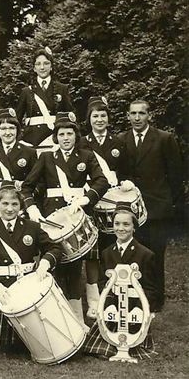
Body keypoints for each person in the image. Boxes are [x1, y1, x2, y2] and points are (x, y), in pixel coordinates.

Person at [20, 112, 109, 323]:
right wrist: (32, 207)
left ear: (76, 136)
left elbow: (101, 181)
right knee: (59, 264)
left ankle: (81, 312)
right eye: (61, 134)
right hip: (54, 218)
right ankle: (62, 313)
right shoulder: (46, 157)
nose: (66, 138)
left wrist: (86, 199)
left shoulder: (87, 156)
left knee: (80, 263)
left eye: (70, 133)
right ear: (56, 137)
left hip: (77, 215)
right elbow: (27, 187)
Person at [0, 182, 62, 350]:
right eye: (5, 204)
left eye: (14, 204)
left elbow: (55, 248)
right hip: (4, 289)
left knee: (36, 338)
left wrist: (45, 262)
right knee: (3, 344)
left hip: (29, 286)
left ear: (21, 207)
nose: (10, 209)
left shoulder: (33, 227)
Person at [118, 100, 183, 312]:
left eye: (141, 113)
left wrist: (170, 205)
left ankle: (155, 300)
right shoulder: (122, 140)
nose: (137, 118)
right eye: (133, 114)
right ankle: (134, 296)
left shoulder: (164, 138)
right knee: (133, 252)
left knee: (155, 254)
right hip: (132, 209)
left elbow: (175, 175)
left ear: (149, 116)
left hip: (157, 208)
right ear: (127, 116)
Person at [83, 202, 158, 359]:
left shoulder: (145, 254)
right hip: (114, 307)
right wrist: (108, 306)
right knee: (99, 346)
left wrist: (144, 310)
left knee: (133, 344)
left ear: (134, 227)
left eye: (126, 224)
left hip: (135, 308)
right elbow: (104, 283)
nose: (121, 228)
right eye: (117, 224)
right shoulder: (106, 253)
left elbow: (151, 288)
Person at [77, 96, 128, 318]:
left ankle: (116, 292)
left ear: (108, 119)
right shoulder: (82, 143)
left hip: (114, 202)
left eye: (103, 116)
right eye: (95, 116)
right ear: (89, 120)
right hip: (90, 200)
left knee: (113, 246)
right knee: (92, 251)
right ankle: (93, 299)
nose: (99, 119)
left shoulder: (118, 142)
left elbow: (125, 170)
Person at [16, 47, 74, 153]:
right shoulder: (26, 91)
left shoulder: (62, 88)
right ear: (34, 68)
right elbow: (17, 120)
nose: (42, 67)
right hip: (32, 140)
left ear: (51, 67)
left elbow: (69, 118)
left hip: (55, 139)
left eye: (46, 63)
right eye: (38, 64)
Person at [0, 108, 37, 190]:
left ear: (17, 130)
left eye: (11, 128)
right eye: (3, 129)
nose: (7, 133)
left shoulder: (29, 152)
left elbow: (37, 182)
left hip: (21, 198)